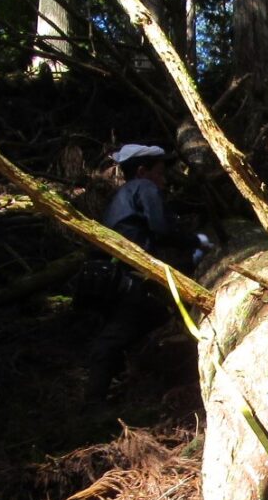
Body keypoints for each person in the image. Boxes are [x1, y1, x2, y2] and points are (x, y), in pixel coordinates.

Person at [82, 143, 212, 403]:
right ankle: (93, 403)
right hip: (129, 277)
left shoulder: (124, 195)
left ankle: (112, 388)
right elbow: (162, 228)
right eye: (160, 174)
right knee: (123, 330)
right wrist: (195, 242)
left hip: (111, 276)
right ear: (142, 171)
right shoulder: (144, 187)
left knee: (129, 327)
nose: (163, 182)